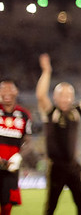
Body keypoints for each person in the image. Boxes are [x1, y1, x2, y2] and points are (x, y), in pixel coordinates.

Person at [35, 53, 81, 215]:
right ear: (55, 97)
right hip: (56, 167)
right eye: (62, 95)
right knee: (51, 206)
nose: (65, 99)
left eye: (68, 95)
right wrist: (46, 72)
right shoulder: (50, 112)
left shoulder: (76, 111)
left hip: (73, 166)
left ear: (72, 97)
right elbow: (40, 96)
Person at [0, 79, 31, 215]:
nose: (7, 92)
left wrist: (18, 157)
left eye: (10, 89)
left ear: (16, 92)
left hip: (11, 168)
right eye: (3, 89)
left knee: (7, 206)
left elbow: (28, 142)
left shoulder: (24, 115)